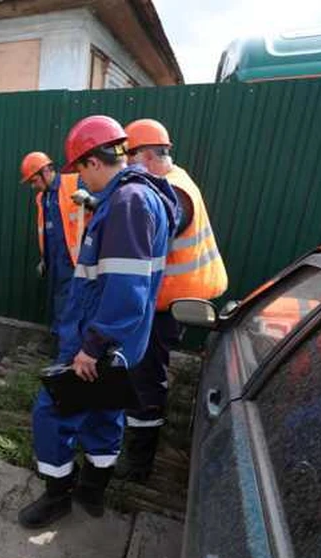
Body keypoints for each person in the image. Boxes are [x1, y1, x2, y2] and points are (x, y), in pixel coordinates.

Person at [18, 116, 179, 529]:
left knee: (52, 412)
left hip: (99, 338)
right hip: (123, 342)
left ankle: (58, 497)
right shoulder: (140, 197)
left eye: (81, 172)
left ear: (92, 161)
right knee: (105, 412)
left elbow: (126, 288)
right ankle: (92, 492)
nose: (81, 183)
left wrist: (91, 346)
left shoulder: (127, 204)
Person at [121, 119, 228, 481]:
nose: (125, 166)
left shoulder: (172, 194)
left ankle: (138, 464)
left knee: (145, 378)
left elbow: (159, 225)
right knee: (143, 373)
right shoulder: (175, 179)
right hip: (174, 301)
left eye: (128, 158)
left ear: (147, 156)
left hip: (169, 306)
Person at [20, 152, 84, 350]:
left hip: (73, 260)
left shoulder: (75, 183)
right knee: (58, 301)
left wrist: (90, 199)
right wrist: (43, 259)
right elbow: (47, 230)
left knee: (69, 305)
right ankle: (58, 342)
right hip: (54, 260)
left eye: (34, 180)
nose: (33, 186)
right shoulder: (42, 198)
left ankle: (65, 350)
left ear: (46, 171)